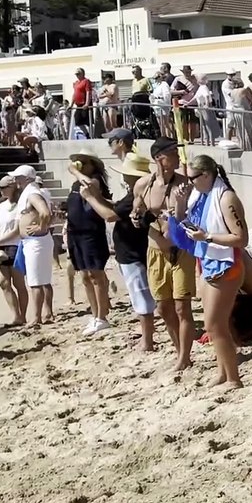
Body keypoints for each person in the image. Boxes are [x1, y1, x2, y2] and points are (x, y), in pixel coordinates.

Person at [179, 154, 249, 389]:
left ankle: (233, 378)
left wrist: (207, 236)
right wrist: (180, 203)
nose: (190, 183)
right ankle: (222, 372)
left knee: (214, 325)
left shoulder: (226, 198)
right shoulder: (201, 195)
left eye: (193, 178)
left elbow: (241, 239)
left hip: (226, 266)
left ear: (207, 175)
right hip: (207, 262)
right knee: (216, 324)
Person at [134, 138, 197, 372]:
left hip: (181, 250)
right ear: (159, 158)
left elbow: (194, 216)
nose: (178, 157)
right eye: (172, 153)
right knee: (163, 307)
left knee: (182, 307)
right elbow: (136, 211)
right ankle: (180, 350)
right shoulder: (144, 185)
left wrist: (180, 207)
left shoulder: (186, 184)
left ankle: (184, 357)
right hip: (155, 249)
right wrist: (137, 217)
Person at [112, 151, 158, 351]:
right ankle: (146, 337)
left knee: (142, 298)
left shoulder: (137, 196)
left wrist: (92, 196)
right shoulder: (136, 194)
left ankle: (147, 341)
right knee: (141, 297)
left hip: (133, 253)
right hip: (131, 252)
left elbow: (110, 215)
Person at [65, 153, 115, 337]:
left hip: (91, 233)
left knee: (96, 275)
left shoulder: (94, 180)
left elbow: (91, 188)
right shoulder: (75, 185)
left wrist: (75, 172)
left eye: (83, 162)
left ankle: (102, 317)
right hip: (75, 232)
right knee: (84, 275)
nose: (78, 165)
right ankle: (95, 315)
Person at [12, 164, 55, 326]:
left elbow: (45, 212)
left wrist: (41, 227)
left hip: (36, 241)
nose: (15, 180)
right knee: (41, 279)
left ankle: (36, 317)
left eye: (18, 177)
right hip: (33, 241)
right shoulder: (32, 192)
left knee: (36, 281)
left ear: (26, 178)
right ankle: (44, 314)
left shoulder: (32, 193)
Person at [0, 175, 28, 326]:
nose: (1, 190)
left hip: (15, 245)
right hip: (2, 245)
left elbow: (17, 229)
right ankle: (15, 315)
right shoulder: (1, 206)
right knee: (3, 283)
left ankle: (23, 316)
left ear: (12, 187)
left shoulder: (20, 205)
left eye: (3, 187)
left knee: (19, 283)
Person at [71, 67, 93, 137]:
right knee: (77, 121)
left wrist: (87, 103)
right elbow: (74, 94)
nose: (77, 75)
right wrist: (71, 105)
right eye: (76, 74)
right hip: (78, 105)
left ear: (83, 74)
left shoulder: (86, 81)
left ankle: (92, 135)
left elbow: (88, 92)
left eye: (78, 74)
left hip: (85, 104)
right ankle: (87, 134)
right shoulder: (76, 83)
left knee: (88, 121)